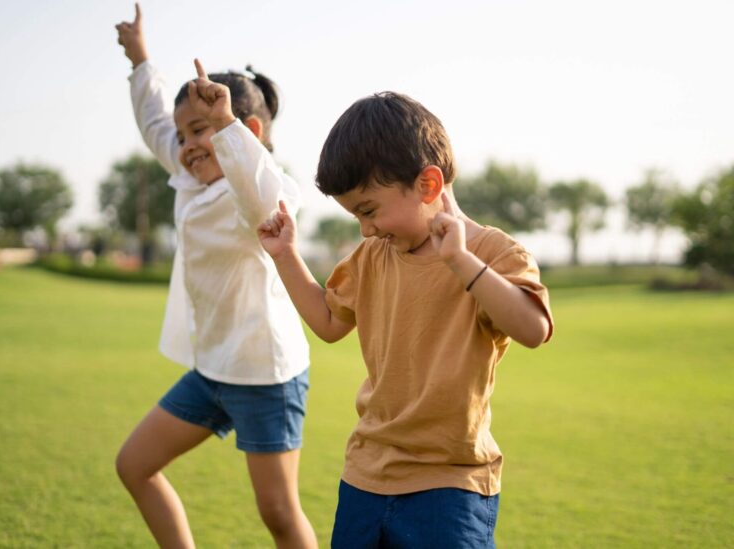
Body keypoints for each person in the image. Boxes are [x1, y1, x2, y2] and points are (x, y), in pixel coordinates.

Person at [258, 91, 554, 548]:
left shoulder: (493, 254)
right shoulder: (374, 255)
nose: (366, 228)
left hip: (450, 484)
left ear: (428, 186)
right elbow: (329, 323)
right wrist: (285, 256)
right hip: (366, 474)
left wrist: (460, 261)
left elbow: (534, 330)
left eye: (369, 210)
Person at [114, 5, 317, 548]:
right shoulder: (189, 176)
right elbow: (157, 123)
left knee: (277, 512)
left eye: (200, 130)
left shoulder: (255, 193)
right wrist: (140, 61)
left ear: (244, 131)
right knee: (134, 464)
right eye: (185, 136)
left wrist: (223, 127)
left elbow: (266, 195)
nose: (186, 146)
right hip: (212, 370)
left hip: (265, 375)